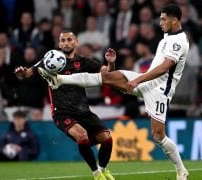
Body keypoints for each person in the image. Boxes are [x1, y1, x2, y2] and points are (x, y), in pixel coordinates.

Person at [38, 4, 189, 180]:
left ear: (174, 19)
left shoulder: (178, 41)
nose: (160, 22)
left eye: (163, 19)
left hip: (159, 91)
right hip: (145, 81)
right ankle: (59, 79)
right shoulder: (166, 37)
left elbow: (165, 67)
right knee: (107, 75)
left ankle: (181, 170)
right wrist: (133, 76)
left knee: (158, 136)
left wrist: (138, 80)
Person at [14, 30, 115, 180]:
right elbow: (28, 73)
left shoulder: (84, 61)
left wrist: (111, 62)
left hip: (83, 111)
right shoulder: (48, 60)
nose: (66, 43)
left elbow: (107, 73)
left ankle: (103, 170)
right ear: (59, 44)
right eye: (63, 40)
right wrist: (21, 72)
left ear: (76, 42)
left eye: (69, 40)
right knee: (82, 136)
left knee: (107, 139)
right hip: (62, 112)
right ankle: (96, 174)